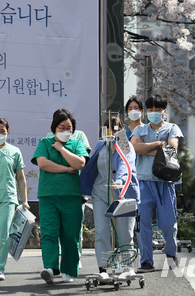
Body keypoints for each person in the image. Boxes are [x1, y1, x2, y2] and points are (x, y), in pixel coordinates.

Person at [32, 109, 89, 284]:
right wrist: (65, 169)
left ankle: (68, 270)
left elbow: (79, 163)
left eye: (69, 128)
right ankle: (49, 267)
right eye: (61, 127)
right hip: (48, 195)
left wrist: (61, 149)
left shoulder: (77, 143)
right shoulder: (45, 142)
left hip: (71, 196)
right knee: (49, 232)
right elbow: (43, 163)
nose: (66, 130)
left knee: (70, 235)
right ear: (54, 128)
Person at [130, 94, 184, 272]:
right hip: (143, 182)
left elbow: (171, 149)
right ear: (146, 112)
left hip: (165, 182)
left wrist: (147, 148)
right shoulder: (139, 130)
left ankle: (170, 252)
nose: (154, 113)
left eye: (157, 110)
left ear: (164, 111)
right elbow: (135, 148)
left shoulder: (172, 128)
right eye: (151, 109)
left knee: (169, 222)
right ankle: (146, 261)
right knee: (143, 224)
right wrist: (158, 145)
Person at [80, 116, 139, 275]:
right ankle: (104, 267)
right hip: (100, 193)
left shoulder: (126, 145)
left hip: (122, 194)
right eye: (108, 129)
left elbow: (126, 166)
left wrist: (120, 180)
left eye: (115, 128)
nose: (112, 132)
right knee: (101, 231)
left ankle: (126, 266)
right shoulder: (101, 145)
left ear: (122, 130)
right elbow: (94, 166)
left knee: (125, 234)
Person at [0, 117, 29, 281]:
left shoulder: (15, 151)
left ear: (8, 131)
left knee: (2, 233)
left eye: (2, 131)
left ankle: (0, 268)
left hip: (8, 197)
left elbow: (21, 178)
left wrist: (24, 200)